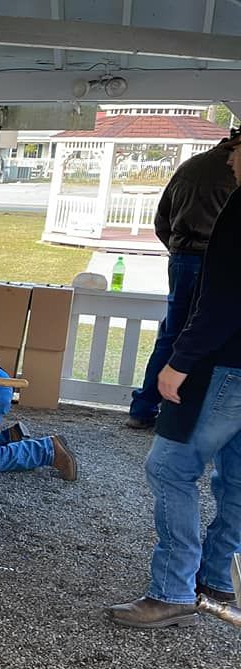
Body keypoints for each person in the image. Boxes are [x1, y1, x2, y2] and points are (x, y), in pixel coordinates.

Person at [107, 136, 241, 629]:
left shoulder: (238, 207)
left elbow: (223, 299)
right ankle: (219, 578)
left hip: (225, 363)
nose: (230, 158)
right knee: (237, 477)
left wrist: (179, 361)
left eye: (236, 149)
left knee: (169, 467)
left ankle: (172, 589)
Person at [127, 128, 241, 429]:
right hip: (215, 261)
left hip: (181, 257)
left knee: (172, 333)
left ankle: (143, 408)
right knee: (205, 333)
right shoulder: (232, 175)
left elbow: (161, 220)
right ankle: (182, 415)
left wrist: (179, 250)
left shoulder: (190, 166)